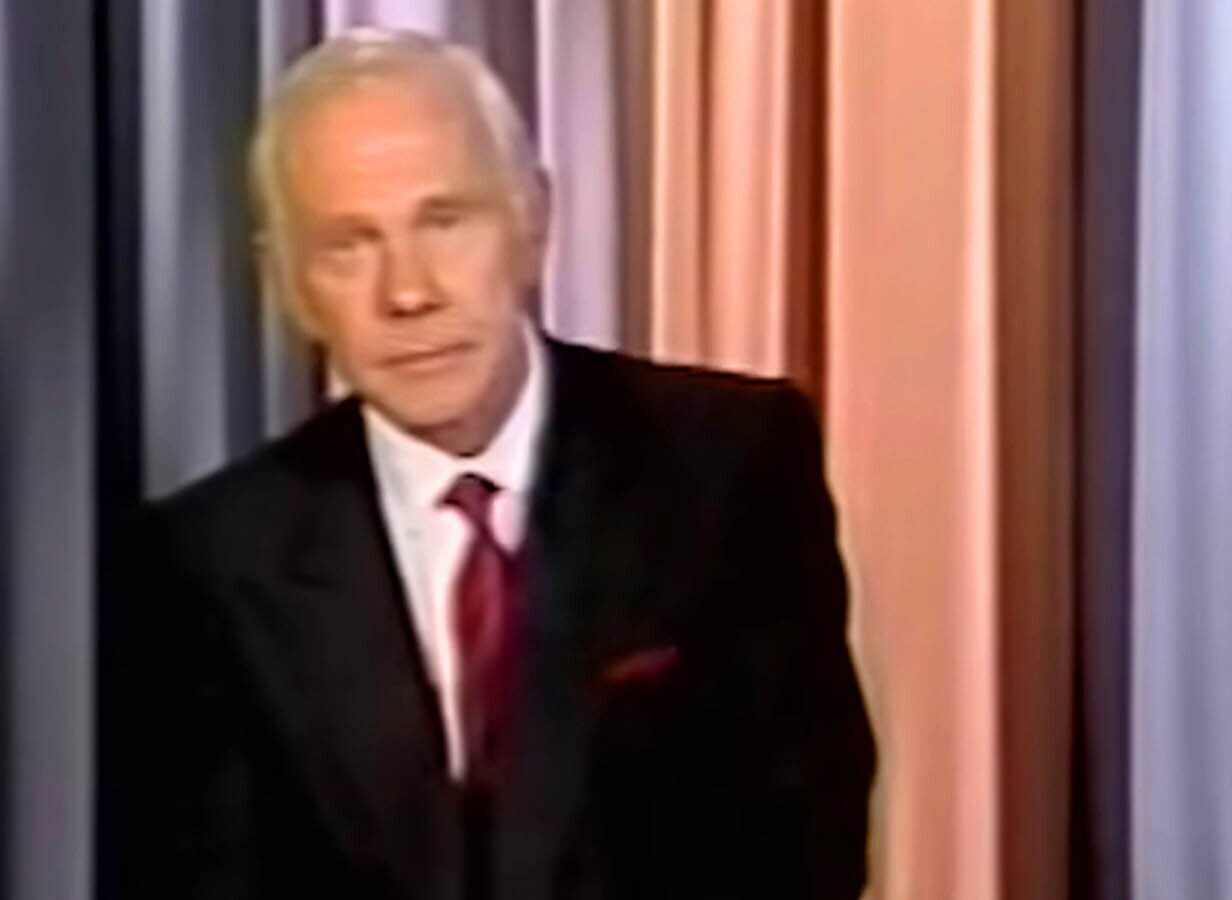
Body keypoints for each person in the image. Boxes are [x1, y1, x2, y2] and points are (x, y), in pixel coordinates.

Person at [99, 28, 875, 900]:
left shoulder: (729, 464)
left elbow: (803, 842)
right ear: (288, 285)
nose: (409, 292)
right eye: (349, 245)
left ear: (532, 221)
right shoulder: (207, 560)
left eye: (445, 221)